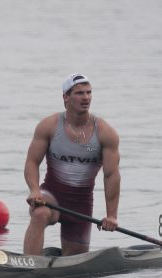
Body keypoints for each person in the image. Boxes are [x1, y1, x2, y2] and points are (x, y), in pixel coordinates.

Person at [23, 73, 120, 256]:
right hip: (51, 196)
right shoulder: (48, 125)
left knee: (74, 273)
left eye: (89, 93)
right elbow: (32, 162)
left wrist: (112, 215)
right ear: (65, 97)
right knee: (39, 213)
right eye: (79, 93)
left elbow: (111, 175)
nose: (86, 98)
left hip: (81, 206)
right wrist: (34, 190)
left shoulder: (106, 133)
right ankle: (29, 265)